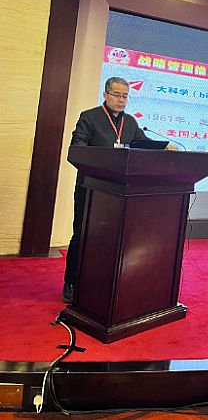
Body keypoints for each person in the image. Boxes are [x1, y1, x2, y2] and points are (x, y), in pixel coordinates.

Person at [62, 76, 149, 303]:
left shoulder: (130, 122)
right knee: (82, 234)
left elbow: (144, 144)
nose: (121, 100)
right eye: (117, 95)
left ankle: (103, 282)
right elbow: (78, 148)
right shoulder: (89, 117)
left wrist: (165, 147)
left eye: (125, 96)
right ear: (105, 95)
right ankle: (71, 282)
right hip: (90, 187)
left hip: (119, 191)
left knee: (112, 237)